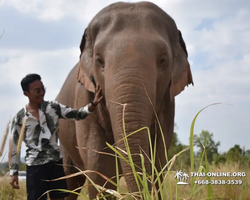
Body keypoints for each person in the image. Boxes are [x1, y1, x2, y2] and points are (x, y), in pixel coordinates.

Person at [9, 73, 103, 200]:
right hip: (35, 167)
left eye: (43, 89)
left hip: (56, 164)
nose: (42, 92)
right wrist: (13, 172)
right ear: (26, 93)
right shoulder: (20, 118)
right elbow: (15, 146)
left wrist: (93, 104)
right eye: (37, 90)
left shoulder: (53, 108)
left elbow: (77, 114)